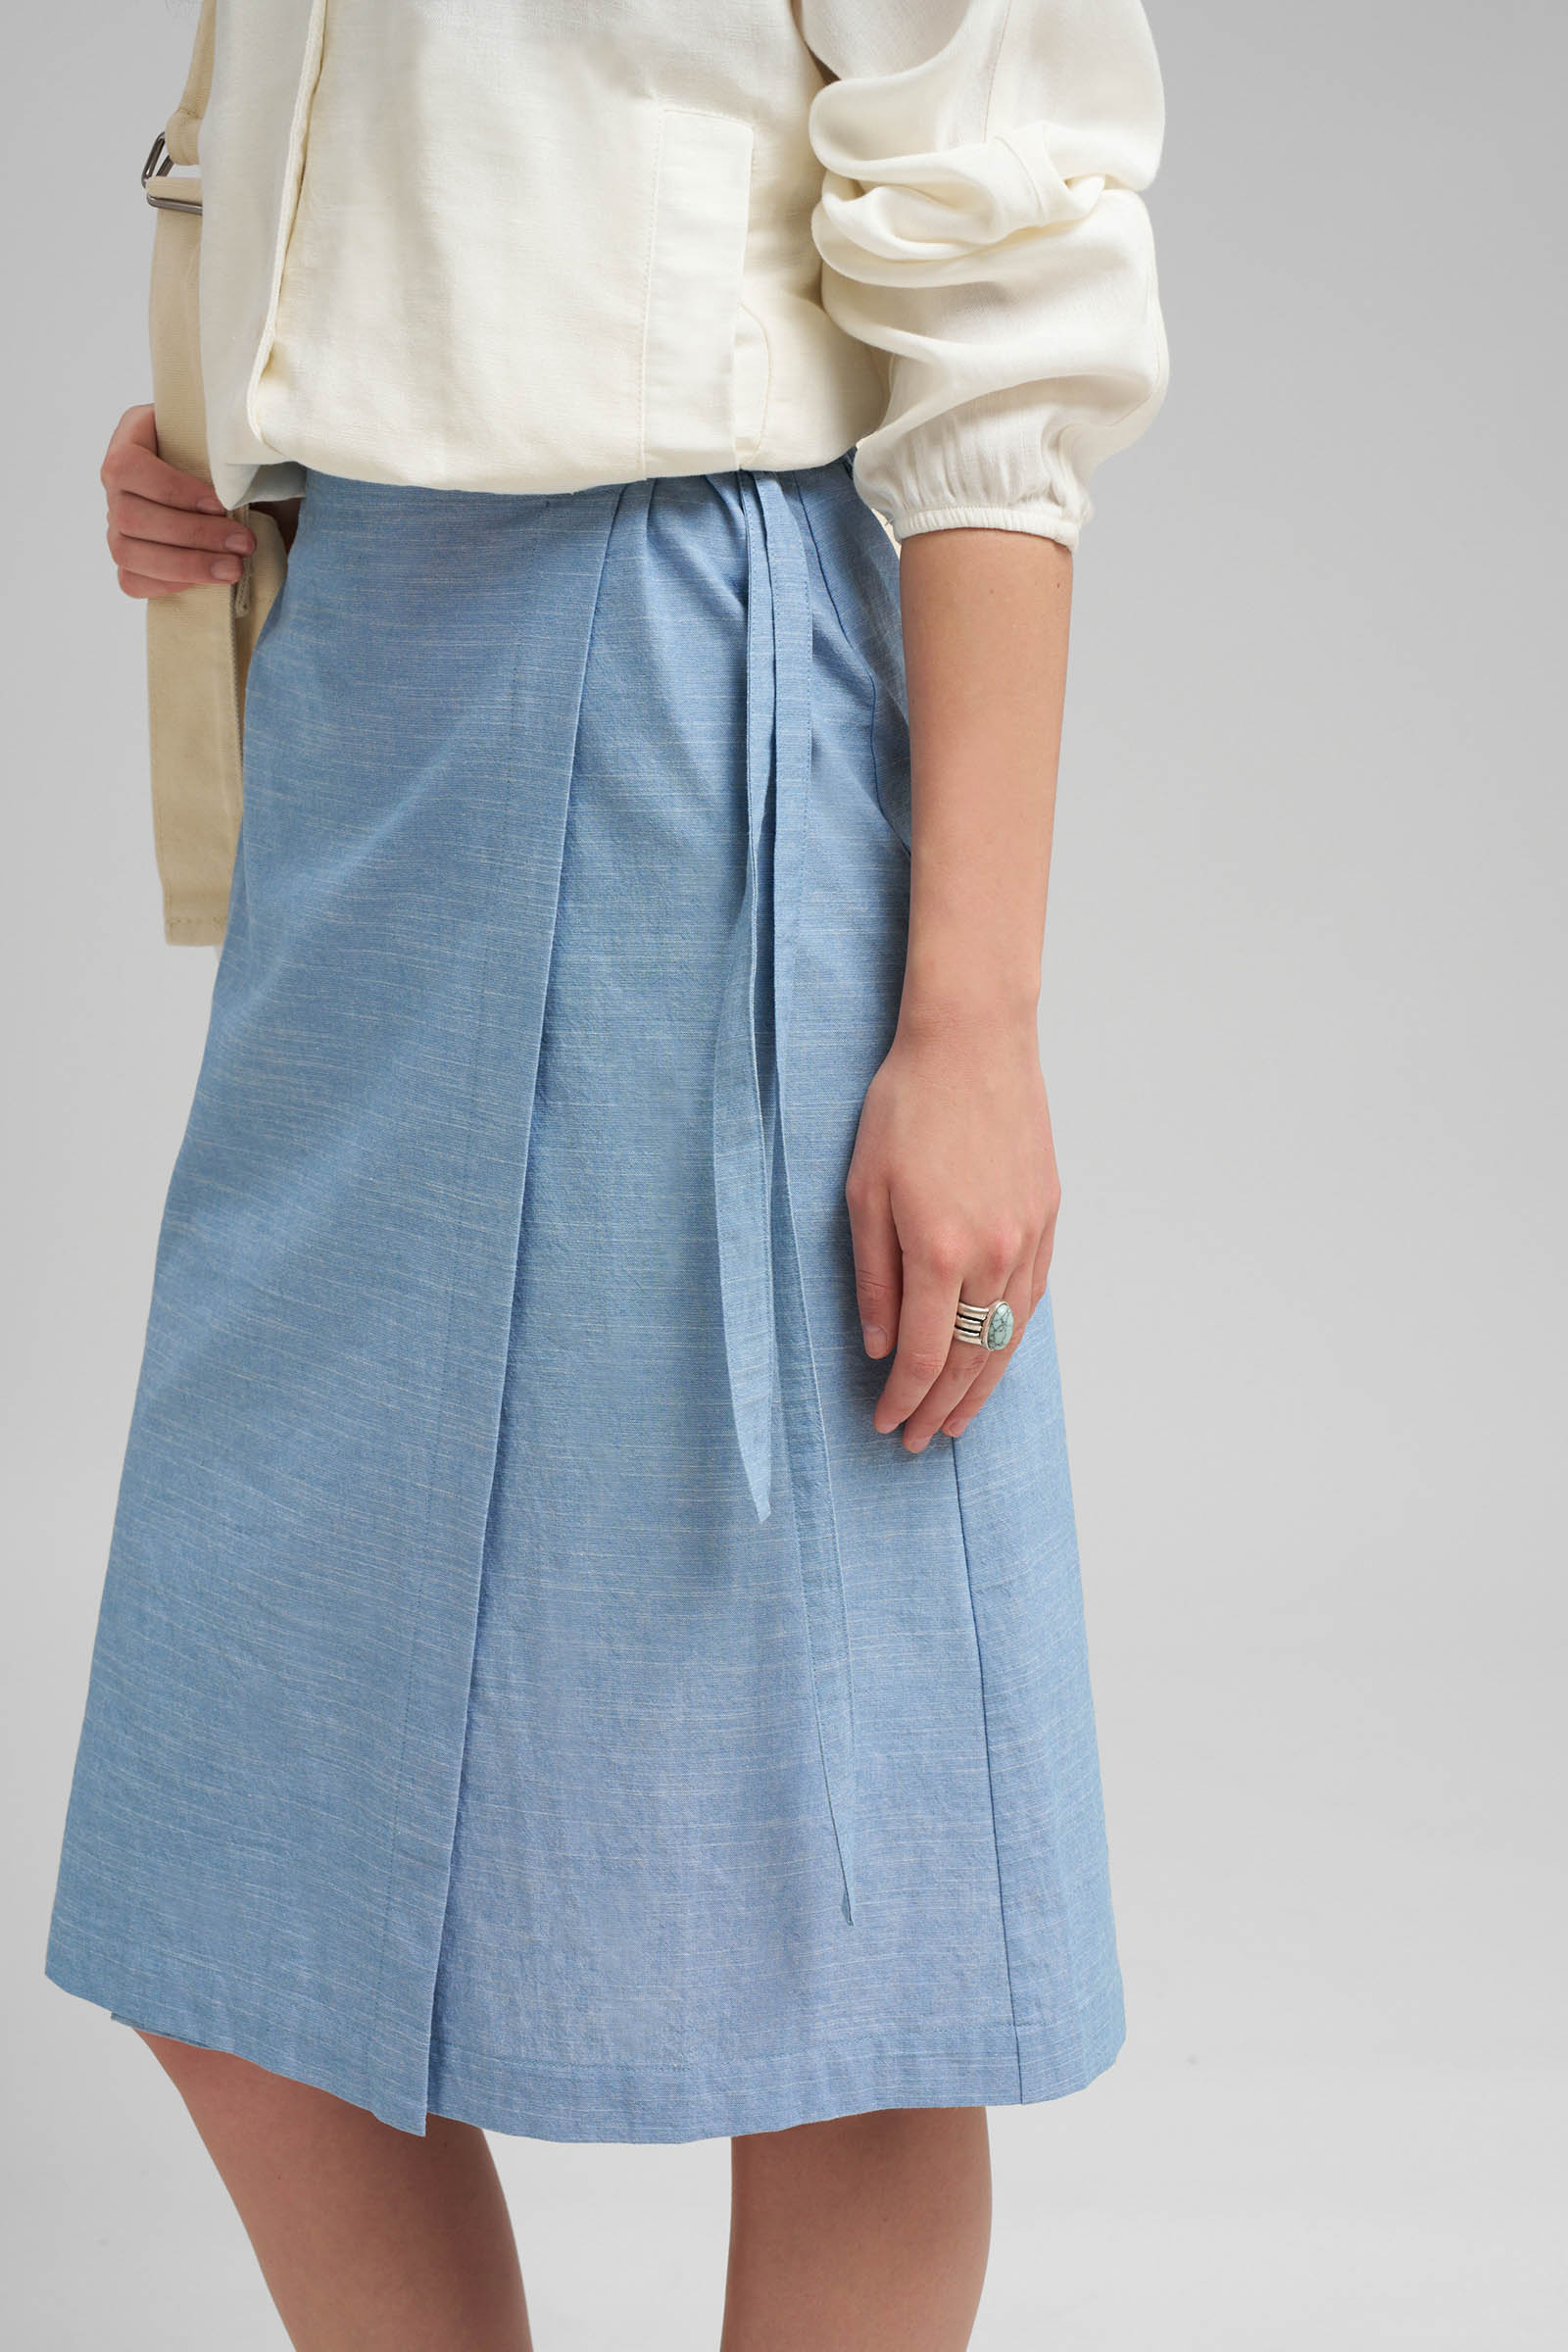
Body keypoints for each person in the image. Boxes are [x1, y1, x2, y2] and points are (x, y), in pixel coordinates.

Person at [47, 2, 1169, 2344]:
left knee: (831, 1929)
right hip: (364, 705)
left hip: (685, 693)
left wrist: (969, 1024)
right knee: (229, 1868)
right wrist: (247, 417)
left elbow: (1001, 273)